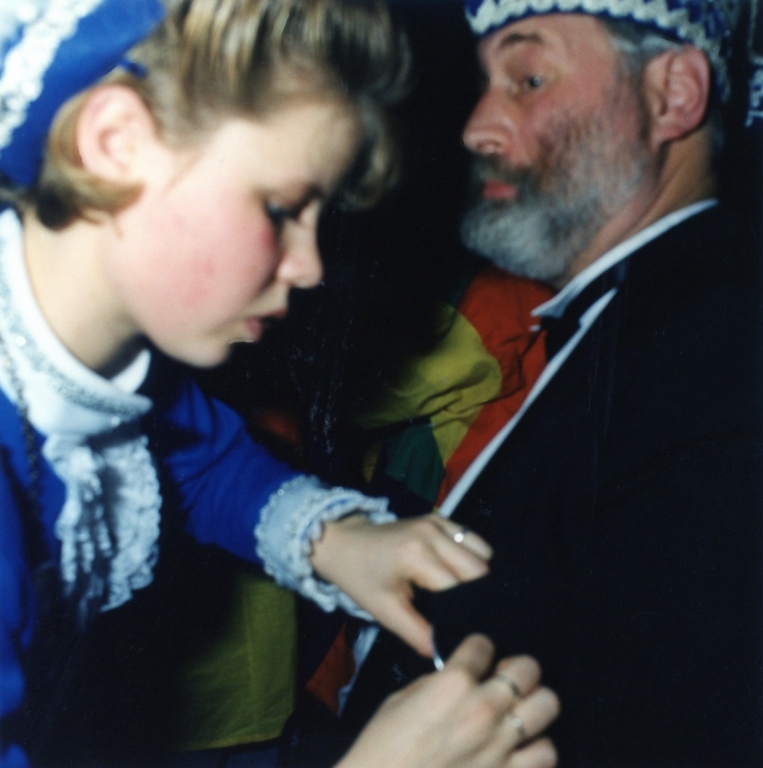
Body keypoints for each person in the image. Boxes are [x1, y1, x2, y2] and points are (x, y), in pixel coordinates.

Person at [0, 1, 566, 766]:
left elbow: (191, 460)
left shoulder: (96, 357)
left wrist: (336, 540)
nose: (309, 267)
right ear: (115, 142)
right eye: (280, 207)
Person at [339, 1, 763, 766]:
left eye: (528, 79)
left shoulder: (719, 358)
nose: (476, 128)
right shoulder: (647, 319)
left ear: (672, 95)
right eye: (482, 85)